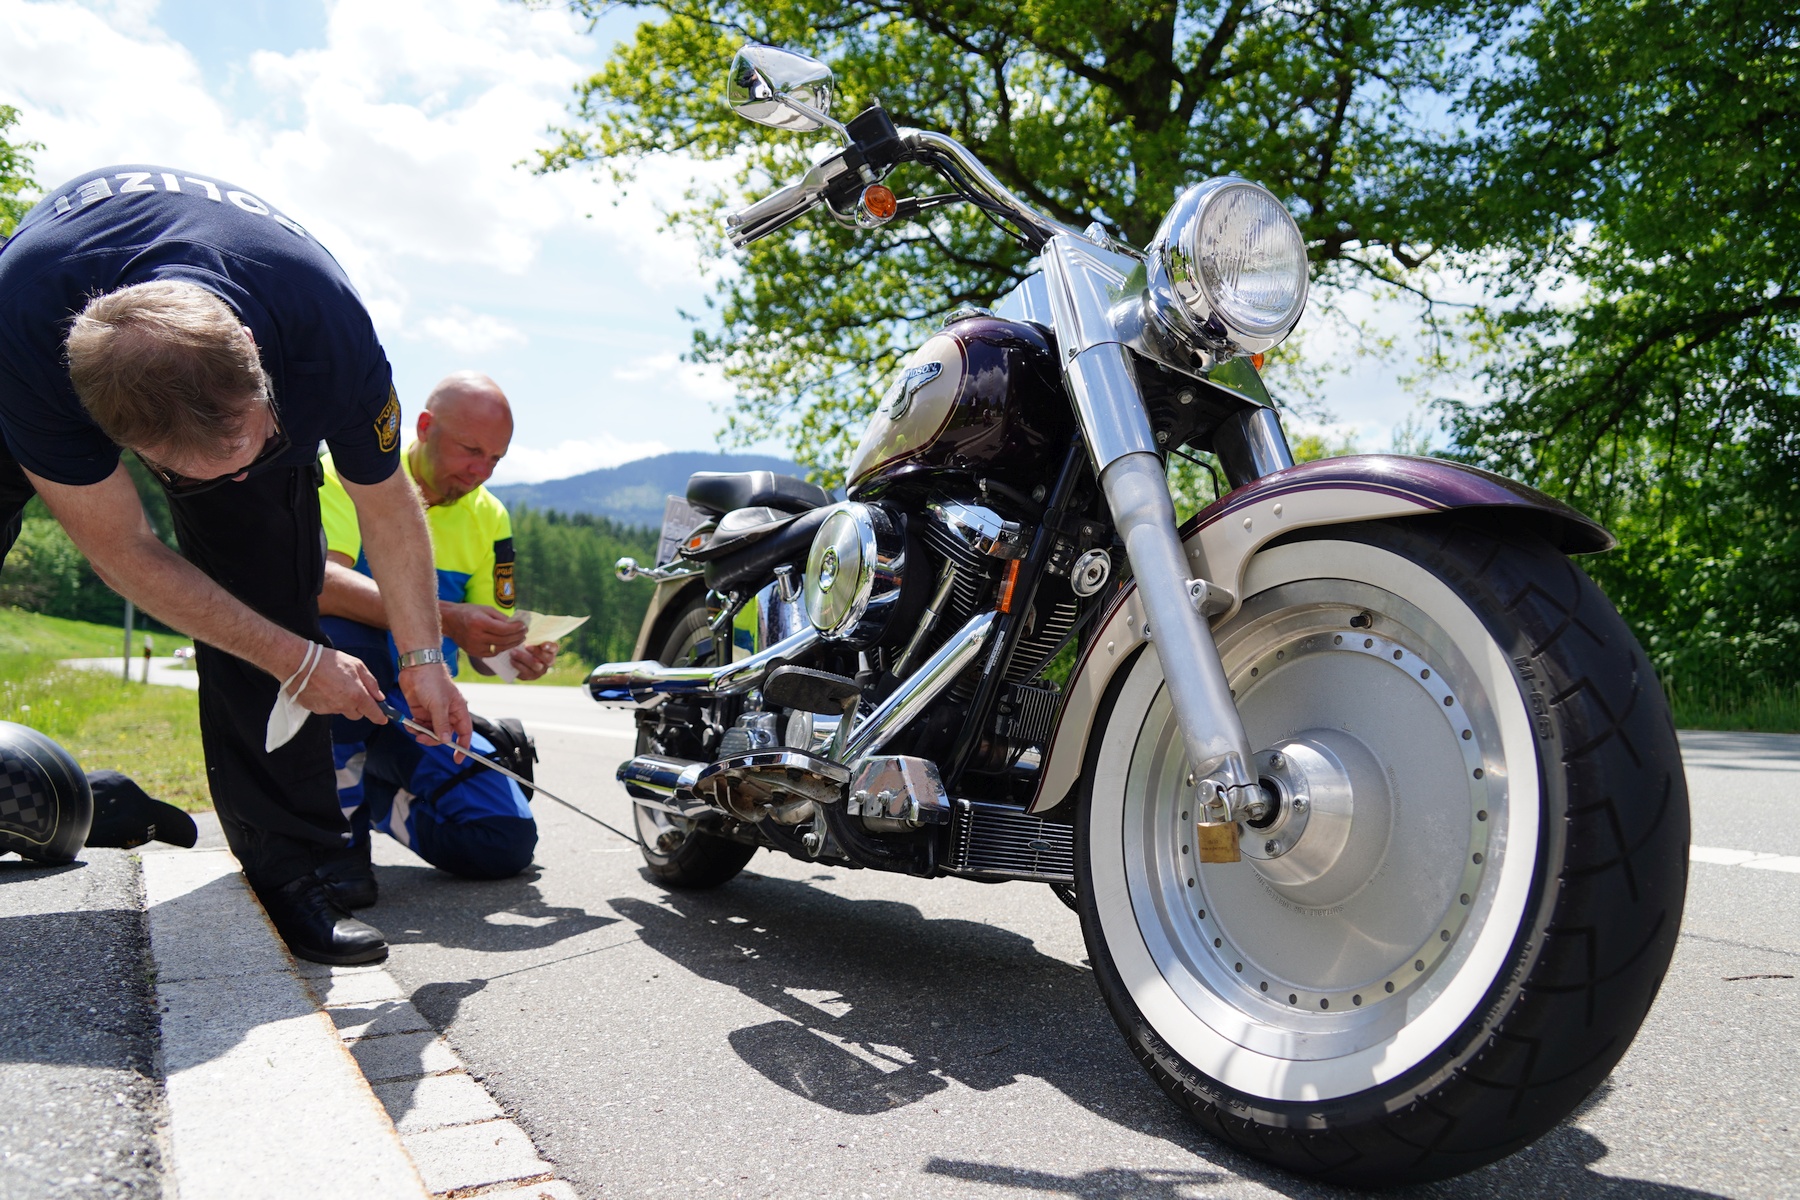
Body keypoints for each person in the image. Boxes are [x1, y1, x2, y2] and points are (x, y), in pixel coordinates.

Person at [0, 165, 471, 965]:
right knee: (284, 649)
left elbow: (388, 503)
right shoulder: (25, 329)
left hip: (275, 336)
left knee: (268, 591)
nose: (225, 482)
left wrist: (422, 659)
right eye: (181, 474)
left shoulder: (328, 334)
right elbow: (122, 548)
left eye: (244, 451)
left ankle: (292, 866)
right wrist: (298, 662)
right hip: (34, 344)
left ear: (253, 358)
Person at [316, 372, 555, 905]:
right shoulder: (347, 474)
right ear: (423, 427)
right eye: (471, 450)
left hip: (425, 714)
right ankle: (335, 829)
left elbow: (482, 647)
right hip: (345, 700)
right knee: (341, 640)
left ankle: (377, 797)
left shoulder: (489, 515)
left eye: (495, 459)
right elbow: (321, 587)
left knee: (505, 842)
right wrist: (448, 619)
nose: (480, 471)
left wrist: (513, 655)